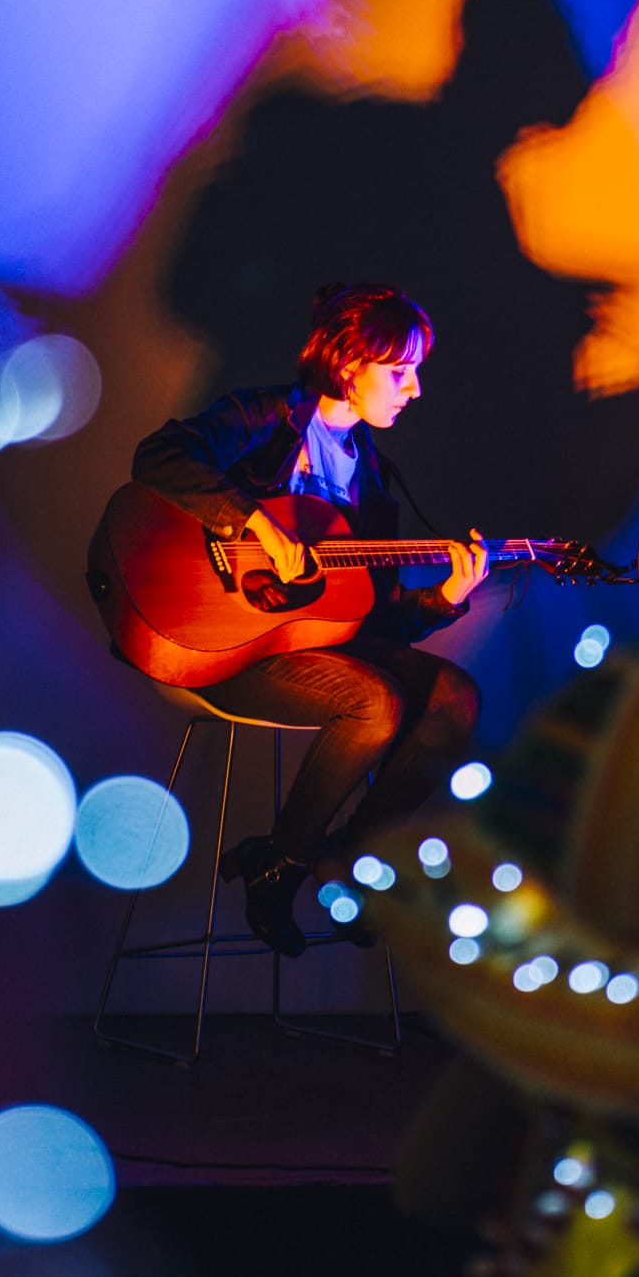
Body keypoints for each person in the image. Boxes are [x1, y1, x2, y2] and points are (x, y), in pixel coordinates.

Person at [131, 283, 488, 955]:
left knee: (454, 699)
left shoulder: (372, 480)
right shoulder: (267, 418)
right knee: (374, 703)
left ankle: (349, 863)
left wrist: (445, 596)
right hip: (226, 646)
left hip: (313, 650)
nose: (415, 390)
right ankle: (286, 864)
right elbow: (157, 458)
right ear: (350, 366)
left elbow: (375, 622)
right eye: (400, 372)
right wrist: (254, 522)